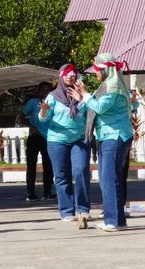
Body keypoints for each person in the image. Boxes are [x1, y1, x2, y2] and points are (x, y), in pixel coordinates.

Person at [82, 53, 134, 232]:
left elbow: (100, 107)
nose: (95, 74)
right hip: (110, 136)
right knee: (111, 179)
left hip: (115, 136)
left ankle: (112, 221)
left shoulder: (112, 85)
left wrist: (85, 95)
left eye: (96, 70)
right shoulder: (112, 83)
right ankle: (118, 220)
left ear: (104, 69)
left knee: (109, 179)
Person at [39, 63, 92, 227]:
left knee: (81, 170)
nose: (70, 76)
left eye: (73, 74)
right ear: (60, 76)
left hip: (79, 139)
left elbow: (91, 112)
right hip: (57, 141)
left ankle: (83, 208)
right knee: (62, 176)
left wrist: (81, 100)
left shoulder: (82, 93)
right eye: (66, 73)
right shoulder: (53, 96)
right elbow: (43, 119)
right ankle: (67, 211)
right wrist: (44, 111)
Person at [19, 80, 55, 201]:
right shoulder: (32, 103)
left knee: (48, 165)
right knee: (31, 165)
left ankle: (47, 192)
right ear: (39, 92)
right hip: (34, 137)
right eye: (43, 90)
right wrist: (31, 125)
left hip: (48, 137)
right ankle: (31, 193)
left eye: (48, 90)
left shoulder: (54, 102)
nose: (45, 93)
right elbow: (21, 117)